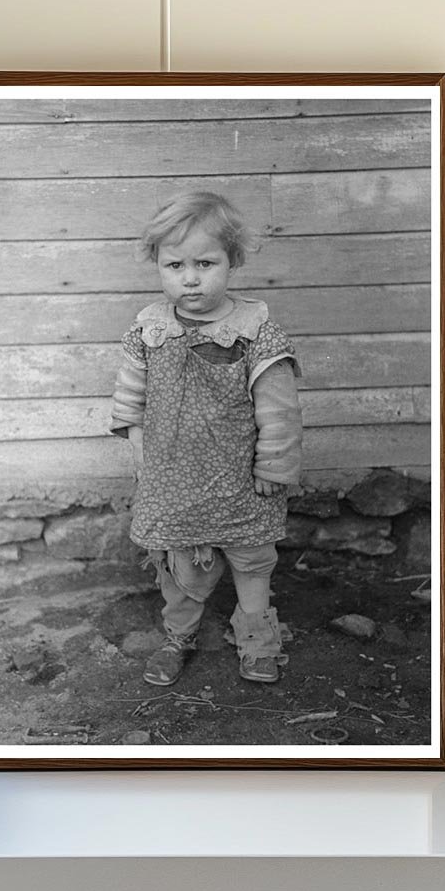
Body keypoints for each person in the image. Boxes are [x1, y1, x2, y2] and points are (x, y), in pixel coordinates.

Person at [110, 191, 302, 687]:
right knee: (179, 569)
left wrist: (273, 468)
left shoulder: (254, 329)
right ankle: (179, 637)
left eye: (205, 263)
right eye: (175, 265)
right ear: (157, 264)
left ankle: (258, 641)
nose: (190, 277)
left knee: (252, 561)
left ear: (232, 261)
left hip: (242, 480)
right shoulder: (149, 329)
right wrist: (141, 456)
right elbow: (130, 399)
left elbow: (279, 409)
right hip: (173, 480)